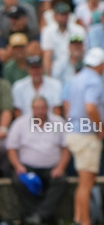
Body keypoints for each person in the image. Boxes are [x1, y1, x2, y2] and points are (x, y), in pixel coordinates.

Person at [7, 95, 71, 225]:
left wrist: (60, 167)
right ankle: (37, 216)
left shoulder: (58, 122)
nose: (40, 111)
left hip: (52, 168)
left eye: (42, 108)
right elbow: (11, 148)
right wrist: (18, 166)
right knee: (17, 181)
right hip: (28, 167)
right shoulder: (20, 123)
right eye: (37, 108)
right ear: (32, 109)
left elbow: (66, 148)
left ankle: (40, 215)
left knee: (61, 180)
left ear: (47, 108)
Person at [64, 46, 104, 225]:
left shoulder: (76, 78)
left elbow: (66, 105)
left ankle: (78, 218)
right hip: (86, 135)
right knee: (87, 183)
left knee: (83, 182)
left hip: (74, 132)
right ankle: (86, 222)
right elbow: (90, 106)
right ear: (102, 64)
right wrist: (100, 128)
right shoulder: (95, 80)